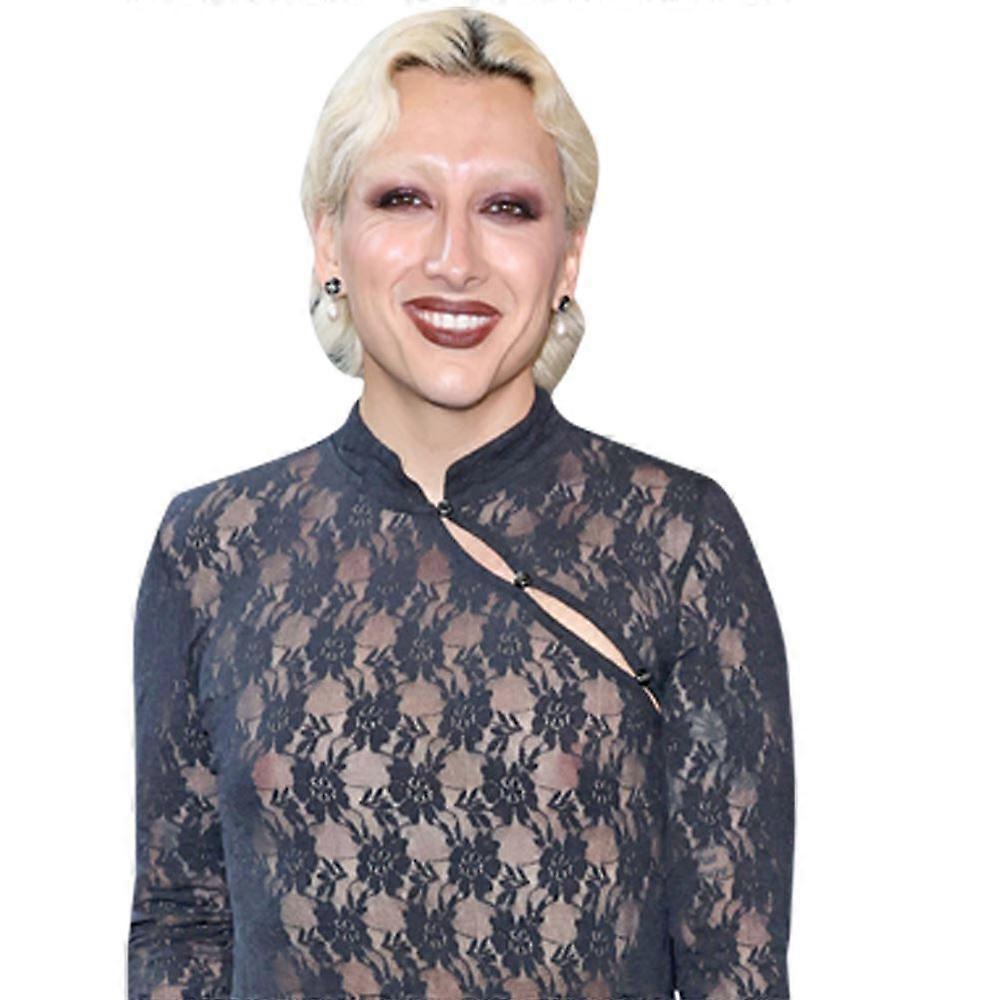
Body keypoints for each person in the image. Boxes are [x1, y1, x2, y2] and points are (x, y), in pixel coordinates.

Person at [126, 8, 795, 1000]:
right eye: (404, 198)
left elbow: (735, 969)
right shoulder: (213, 548)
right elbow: (180, 924)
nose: (454, 258)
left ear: (567, 257)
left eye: (507, 208)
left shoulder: (675, 541)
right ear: (329, 239)